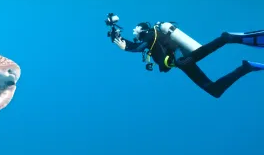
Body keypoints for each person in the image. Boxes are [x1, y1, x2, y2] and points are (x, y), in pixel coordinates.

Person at [106, 13, 264, 98]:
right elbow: (136, 46)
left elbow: (137, 48)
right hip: (180, 61)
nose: (134, 31)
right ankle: (245, 65)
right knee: (214, 89)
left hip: (181, 60)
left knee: (213, 87)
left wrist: (123, 46)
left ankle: (227, 41)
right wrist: (117, 37)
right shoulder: (151, 36)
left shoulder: (149, 35)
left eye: (135, 29)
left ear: (142, 29)